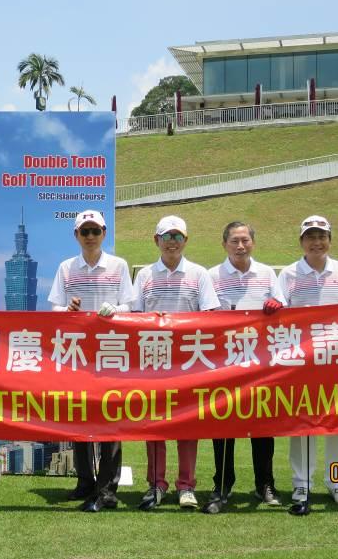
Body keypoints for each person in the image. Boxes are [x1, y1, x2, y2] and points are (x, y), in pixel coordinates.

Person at [48, 209, 135, 512]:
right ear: (76, 235)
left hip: (111, 353)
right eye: (84, 232)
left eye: (94, 231)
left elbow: (130, 304)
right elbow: (54, 309)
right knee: (80, 418)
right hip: (78, 355)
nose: (89, 237)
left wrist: (116, 308)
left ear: (104, 234)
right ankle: (85, 481)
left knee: (110, 421)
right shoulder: (65, 268)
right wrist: (67, 312)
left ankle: (108, 487)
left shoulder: (119, 265)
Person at [132, 215, 220, 510]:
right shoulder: (144, 275)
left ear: (186, 241)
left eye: (177, 237)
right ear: (156, 241)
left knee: (187, 428)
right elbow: (134, 317)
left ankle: (186, 486)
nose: (172, 242)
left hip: (189, 365)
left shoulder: (199, 274)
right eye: (166, 237)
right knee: (154, 427)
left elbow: (210, 315)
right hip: (153, 364)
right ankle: (156, 485)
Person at [278, 215, 338, 507]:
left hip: (337, 360)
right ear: (301, 242)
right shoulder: (289, 274)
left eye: (322, 236)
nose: (317, 242)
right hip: (302, 361)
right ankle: (302, 484)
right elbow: (279, 317)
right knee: (303, 424)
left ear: (330, 240)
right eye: (311, 237)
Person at [204, 221, 284, 512]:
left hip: (260, 362)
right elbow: (206, 312)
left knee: (262, 425)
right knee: (223, 424)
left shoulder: (266, 273)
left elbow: (282, 302)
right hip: (223, 362)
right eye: (234, 241)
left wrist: (277, 302)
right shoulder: (211, 275)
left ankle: (265, 484)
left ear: (253, 242)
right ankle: (223, 483)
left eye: (245, 240)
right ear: (224, 244)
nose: (240, 246)